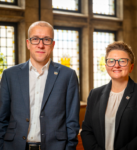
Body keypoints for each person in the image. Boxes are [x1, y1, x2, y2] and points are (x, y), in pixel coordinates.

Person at [0, 21, 80, 150]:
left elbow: (72, 121)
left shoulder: (68, 75)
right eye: (35, 39)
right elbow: (2, 119)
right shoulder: (10, 75)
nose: (41, 45)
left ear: (53, 45)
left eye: (46, 40)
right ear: (28, 44)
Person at [81, 41, 137, 150]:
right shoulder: (95, 94)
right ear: (106, 66)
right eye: (111, 61)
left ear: (131, 66)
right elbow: (87, 131)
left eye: (122, 61)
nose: (116, 65)